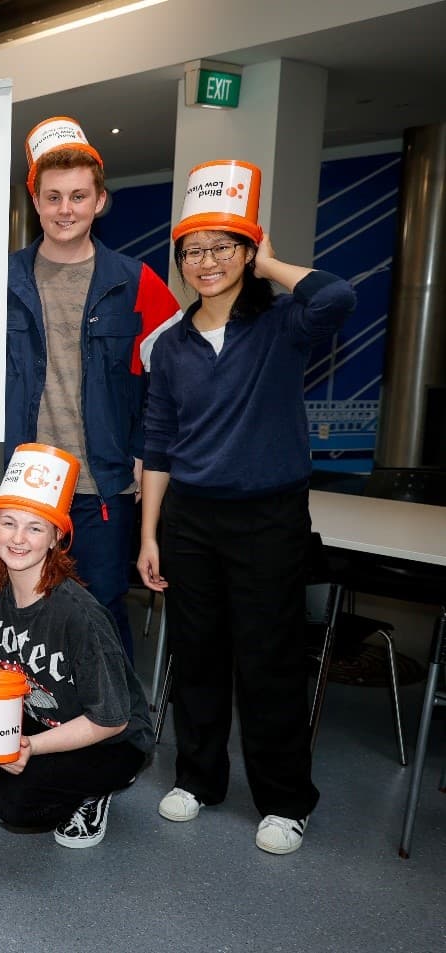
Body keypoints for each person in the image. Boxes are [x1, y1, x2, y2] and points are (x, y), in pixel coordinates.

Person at [138, 161, 355, 856]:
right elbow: (159, 444)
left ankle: (287, 800)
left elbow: (339, 296)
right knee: (198, 658)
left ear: (249, 250)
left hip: (269, 518)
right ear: (179, 261)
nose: (207, 262)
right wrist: (150, 534)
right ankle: (199, 779)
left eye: (224, 247)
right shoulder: (170, 344)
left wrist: (271, 264)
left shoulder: (284, 323)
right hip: (191, 521)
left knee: (269, 662)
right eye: (193, 250)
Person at [0, 444, 151, 849]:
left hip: (108, 738)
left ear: (56, 537)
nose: (18, 539)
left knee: (17, 806)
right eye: (9, 523)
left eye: (35, 527)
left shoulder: (80, 616)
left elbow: (111, 719)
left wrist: (30, 746)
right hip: (40, 716)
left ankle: (92, 792)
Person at [7, 117, 182, 661]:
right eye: (53, 196)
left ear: (100, 201)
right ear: (35, 200)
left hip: (101, 486)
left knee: (102, 616)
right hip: (21, 486)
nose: (65, 209)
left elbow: (173, 385)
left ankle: (115, 738)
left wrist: (139, 450)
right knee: (22, 616)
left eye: (78, 196)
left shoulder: (137, 281)